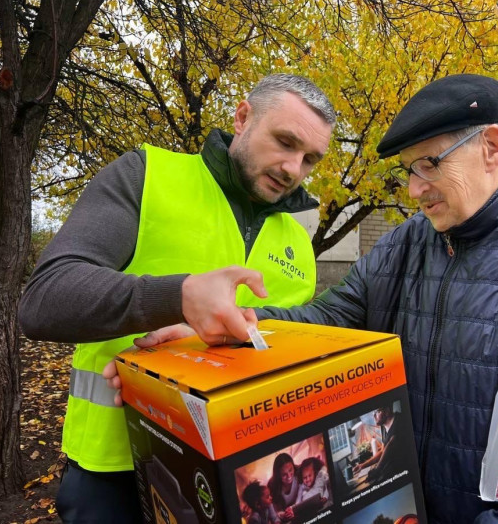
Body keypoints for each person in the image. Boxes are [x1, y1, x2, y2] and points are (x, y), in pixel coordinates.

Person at [112, 74, 498, 523]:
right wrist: (227, 329)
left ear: (491, 147)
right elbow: (325, 322)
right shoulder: (405, 244)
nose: (415, 188)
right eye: (408, 171)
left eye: (430, 164)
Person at [18, 74, 336, 522]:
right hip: (115, 473)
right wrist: (179, 295)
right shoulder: (147, 175)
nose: (292, 168)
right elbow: (44, 299)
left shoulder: (298, 244)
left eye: (310, 160)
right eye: (285, 142)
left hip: (234, 479)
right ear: (243, 117)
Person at [353, 405, 407, 483]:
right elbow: (382, 451)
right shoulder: (385, 428)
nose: (373, 415)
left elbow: (390, 445)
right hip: (390, 471)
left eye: (377, 412)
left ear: (387, 411)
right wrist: (362, 466)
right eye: (373, 412)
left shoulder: (399, 421)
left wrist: (377, 470)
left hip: (399, 475)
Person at [267, 453, 299, 522]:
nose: (289, 476)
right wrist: (284, 515)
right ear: (278, 475)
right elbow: (276, 512)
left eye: (290, 470)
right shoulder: (272, 486)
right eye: (284, 474)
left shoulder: (299, 471)